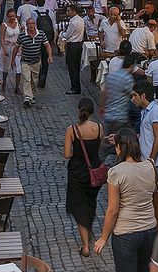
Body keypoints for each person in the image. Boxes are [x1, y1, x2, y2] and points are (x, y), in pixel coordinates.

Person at [94, 128, 157, 271]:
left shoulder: (116, 172)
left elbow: (113, 210)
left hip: (126, 234)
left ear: (118, 147)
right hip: (150, 230)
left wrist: (104, 237)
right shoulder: (150, 166)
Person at [64, 97, 104, 258]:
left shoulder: (72, 130)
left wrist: (76, 152)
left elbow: (67, 154)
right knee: (90, 202)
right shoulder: (100, 128)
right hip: (94, 171)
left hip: (77, 172)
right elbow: (98, 149)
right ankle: (88, 227)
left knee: (79, 206)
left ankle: (86, 246)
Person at [99, 56, 135, 163]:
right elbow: (132, 94)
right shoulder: (128, 78)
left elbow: (105, 93)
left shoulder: (112, 76)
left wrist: (102, 106)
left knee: (108, 139)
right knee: (118, 141)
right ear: (131, 66)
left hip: (109, 114)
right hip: (120, 116)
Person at [131, 80, 158, 185]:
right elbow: (145, 135)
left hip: (155, 165)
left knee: (157, 199)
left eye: (135, 95)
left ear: (143, 96)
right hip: (147, 163)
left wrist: (151, 161)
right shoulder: (144, 112)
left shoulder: (155, 112)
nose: (132, 99)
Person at [11, 18, 52, 108]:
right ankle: (27, 97)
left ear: (35, 24)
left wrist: (50, 56)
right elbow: (16, 47)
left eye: (33, 23)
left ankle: (32, 95)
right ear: (27, 25)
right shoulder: (22, 35)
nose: (31, 25)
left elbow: (47, 45)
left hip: (36, 61)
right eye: (29, 23)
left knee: (34, 79)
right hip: (25, 61)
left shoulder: (41, 34)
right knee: (26, 78)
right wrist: (13, 60)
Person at [60, 4, 85, 95]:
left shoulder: (74, 22)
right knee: (77, 66)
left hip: (73, 45)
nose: (68, 12)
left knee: (72, 67)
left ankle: (75, 87)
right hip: (79, 45)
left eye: (69, 11)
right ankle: (76, 86)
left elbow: (67, 35)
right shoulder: (81, 20)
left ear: (74, 11)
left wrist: (62, 34)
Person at [33, 0, 56, 88]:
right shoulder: (49, 11)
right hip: (48, 38)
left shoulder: (34, 12)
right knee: (46, 58)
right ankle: (44, 77)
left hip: (38, 38)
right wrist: (54, 38)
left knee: (38, 57)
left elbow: (33, 27)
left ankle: (39, 74)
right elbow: (54, 26)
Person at [0, 8, 21, 93]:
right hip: (8, 48)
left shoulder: (18, 24)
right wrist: (4, 49)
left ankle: (17, 87)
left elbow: (20, 36)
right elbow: (2, 38)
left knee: (18, 68)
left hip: (17, 48)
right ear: (7, 17)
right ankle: (4, 83)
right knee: (6, 68)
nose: (12, 18)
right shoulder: (4, 25)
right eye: (10, 16)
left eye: (13, 16)